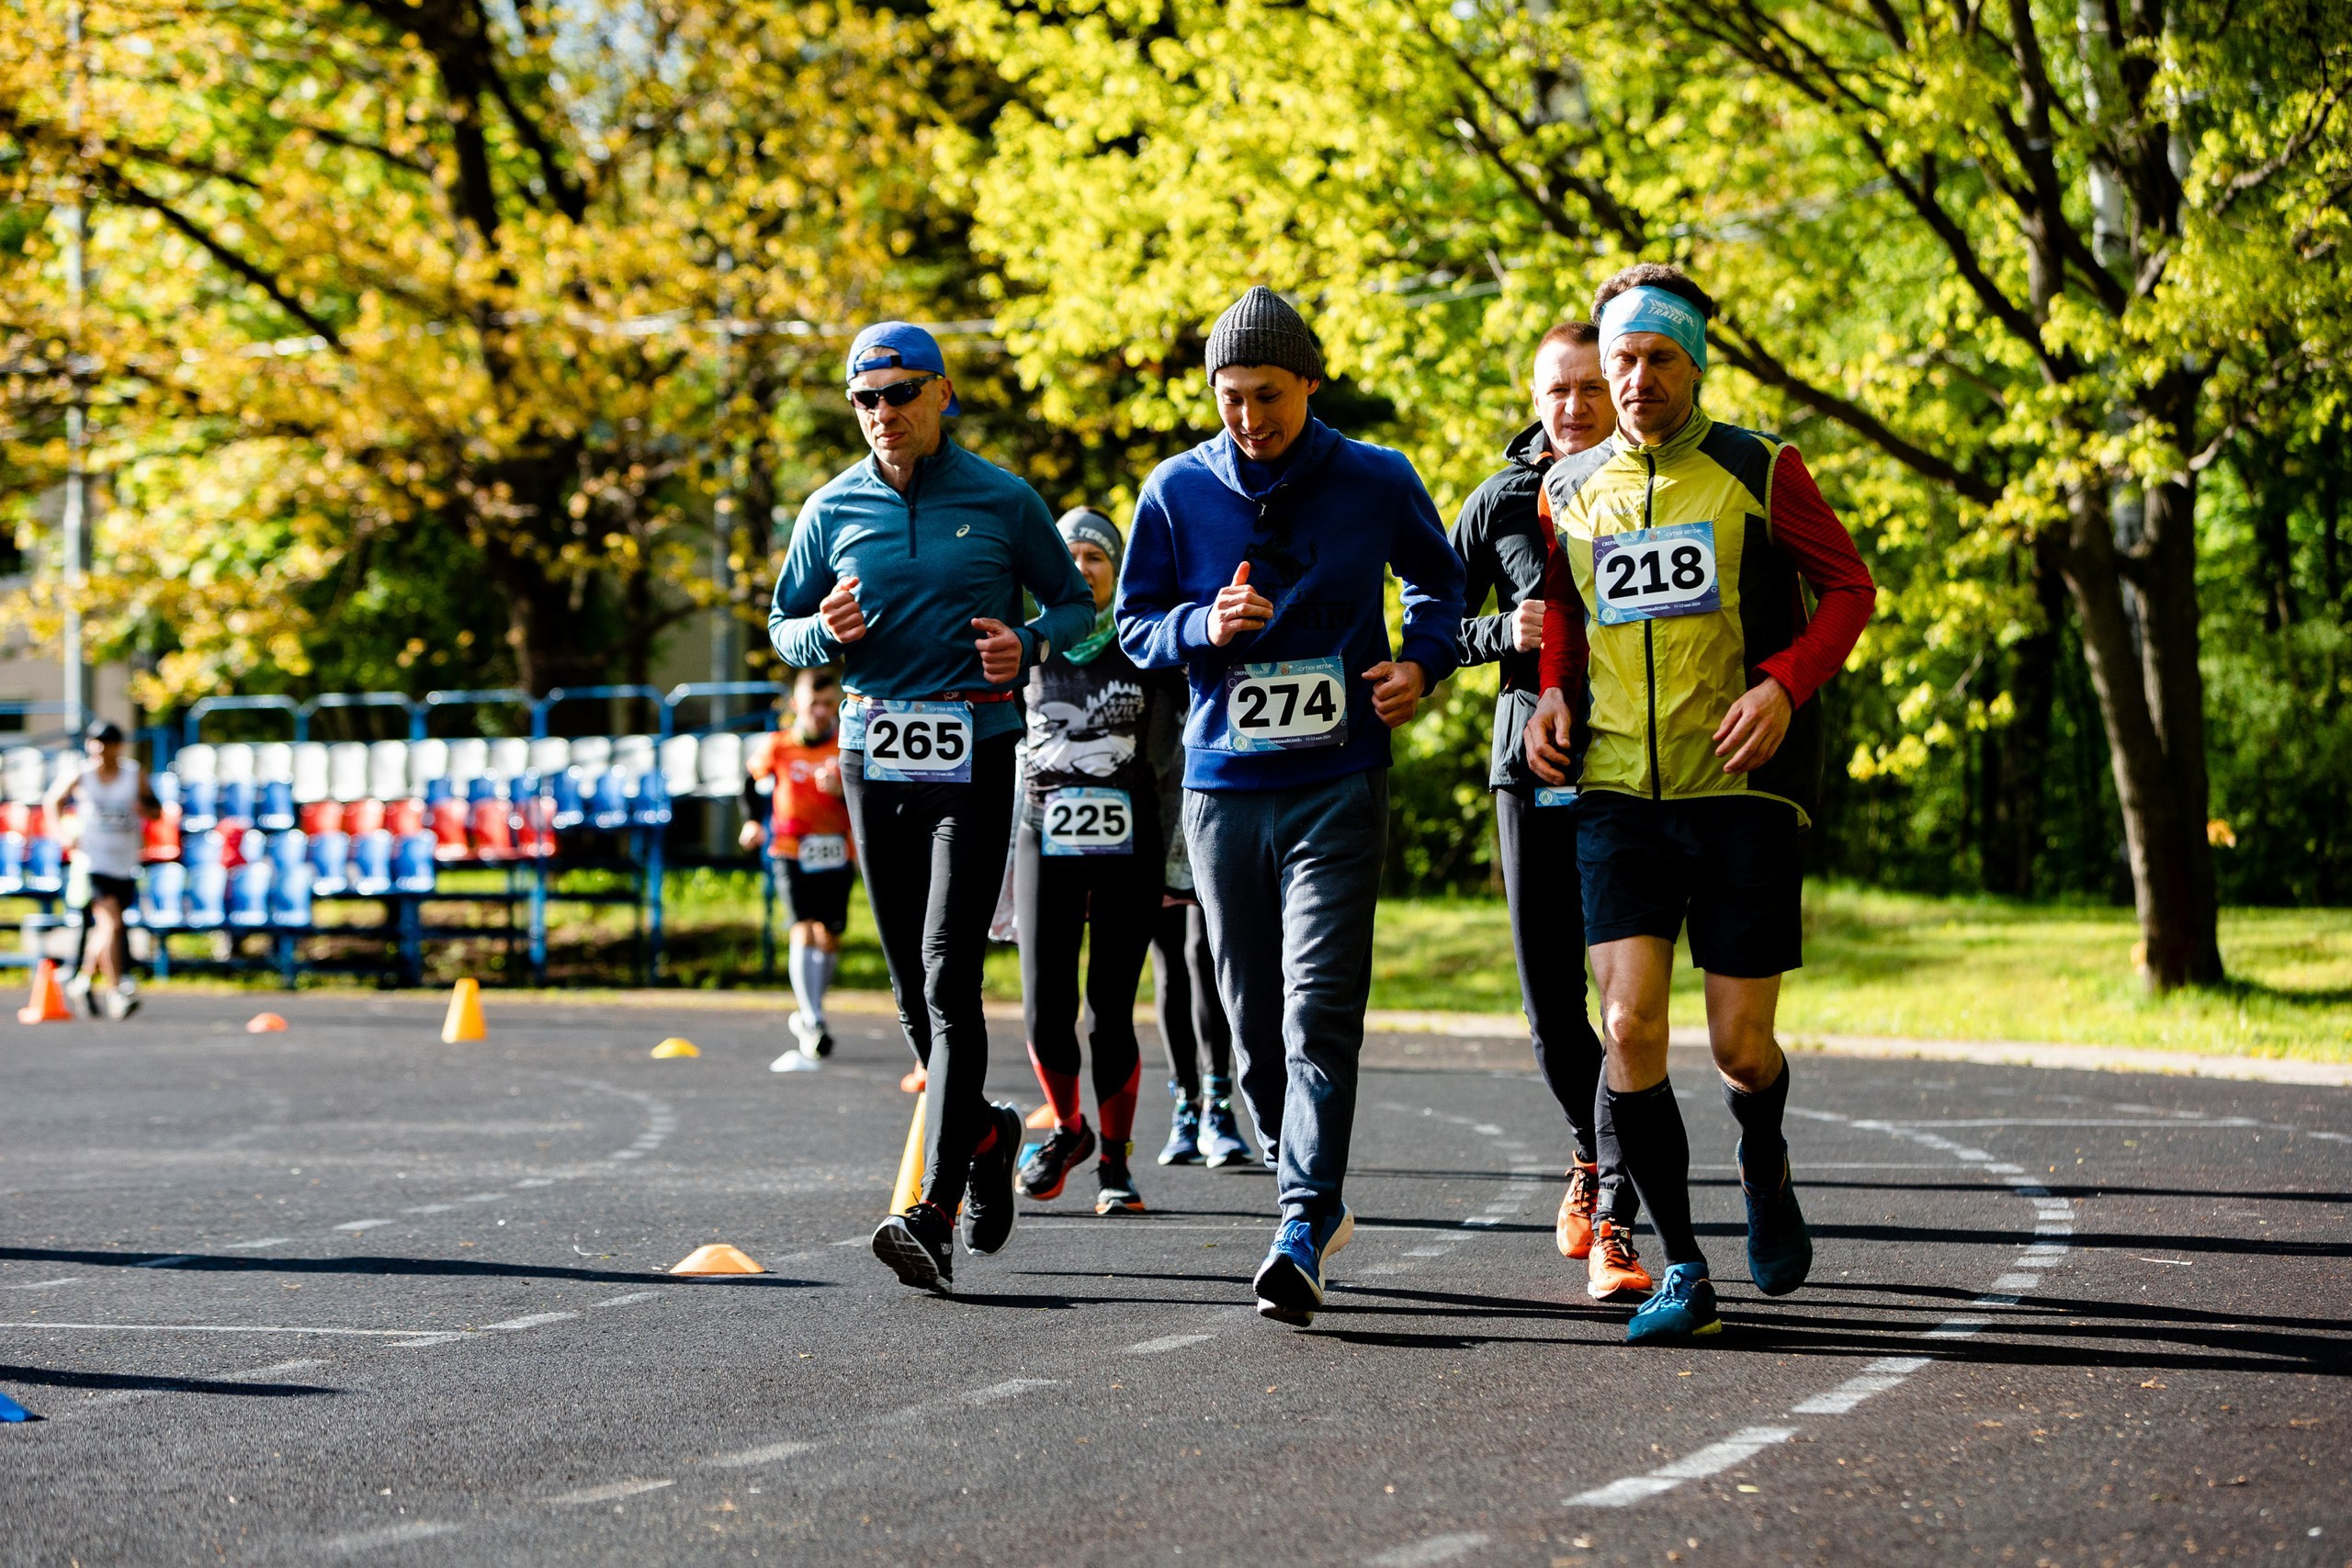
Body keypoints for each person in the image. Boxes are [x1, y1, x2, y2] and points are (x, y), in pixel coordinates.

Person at [1525, 263, 1875, 1342]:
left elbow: (1849, 589)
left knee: (1739, 1048)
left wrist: (1783, 686)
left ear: (1695, 365)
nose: (1635, 379)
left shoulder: (1759, 469)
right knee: (1627, 1026)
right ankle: (1683, 1264)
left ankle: (1763, 1160)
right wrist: (1550, 695)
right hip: (1616, 792)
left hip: (1740, 793)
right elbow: (1564, 611)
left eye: (1657, 359)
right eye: (1619, 361)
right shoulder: (1566, 488)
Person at [1117, 286, 1465, 1325]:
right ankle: (1298, 1171)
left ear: (1310, 382)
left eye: (1267, 394)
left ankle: (1302, 1222)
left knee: (1319, 1006)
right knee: (1249, 1020)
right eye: (1230, 397)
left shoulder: (1375, 477)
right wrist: (1202, 627)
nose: (1249, 418)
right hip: (1223, 787)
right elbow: (1135, 626)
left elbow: (1440, 586)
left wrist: (1421, 664)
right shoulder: (1176, 490)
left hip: (1338, 780)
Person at [769, 321, 1097, 1292]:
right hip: (873, 756)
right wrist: (819, 634)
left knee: (952, 973)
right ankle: (988, 1130)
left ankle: (932, 1208)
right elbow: (783, 625)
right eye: (864, 399)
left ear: (942, 394)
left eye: (900, 393)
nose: (882, 413)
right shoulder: (830, 507)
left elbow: (1079, 611)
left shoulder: (1003, 499)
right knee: (911, 985)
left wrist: (1030, 644)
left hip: (974, 751)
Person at [1448, 320, 1648, 1303]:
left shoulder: (1649, 489)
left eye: (1587, 388)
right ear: (1535, 400)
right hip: (1526, 768)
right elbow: (1429, 625)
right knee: (1549, 1007)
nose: (1571, 406)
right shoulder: (1496, 502)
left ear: (1615, 389)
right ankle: (1588, 1148)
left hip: (1631, 767)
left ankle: (1615, 1209)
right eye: (1555, 390)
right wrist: (1501, 630)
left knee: (1626, 1003)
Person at [1012, 507, 1186, 1215]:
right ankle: (1068, 1129)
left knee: (1110, 1009)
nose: (1082, 568)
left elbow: (1176, 755)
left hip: (1129, 843)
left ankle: (1116, 1163)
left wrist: (1178, 858)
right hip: (1041, 835)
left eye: (1096, 557)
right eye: (1070, 556)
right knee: (1043, 1008)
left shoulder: (1144, 644)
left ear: (1116, 571)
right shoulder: (1025, 644)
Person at [1145, 656, 1250, 1169]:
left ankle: (1218, 1105)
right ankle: (1185, 1107)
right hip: (1157, 819)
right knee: (1169, 964)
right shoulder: (1146, 653)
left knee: (1206, 956)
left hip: (1216, 808)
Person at [742, 666, 853, 1072]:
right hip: (790, 849)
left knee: (829, 935)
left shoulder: (847, 746)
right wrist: (752, 821)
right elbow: (749, 782)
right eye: (813, 704)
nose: (821, 712)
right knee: (802, 927)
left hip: (836, 849)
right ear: (795, 705)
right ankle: (812, 1018)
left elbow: (871, 795)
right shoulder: (778, 746)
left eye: (828, 704)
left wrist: (842, 791)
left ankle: (813, 1011)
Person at [46, 720, 160, 1020]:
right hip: (94, 861)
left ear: (117, 746)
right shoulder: (81, 773)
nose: (99, 749)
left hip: (125, 860)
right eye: (94, 742)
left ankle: (83, 979)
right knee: (112, 924)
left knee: (107, 927)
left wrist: (144, 810)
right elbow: (53, 801)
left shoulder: (134, 775)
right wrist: (63, 835)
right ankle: (117, 991)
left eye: (106, 743)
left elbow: (156, 810)